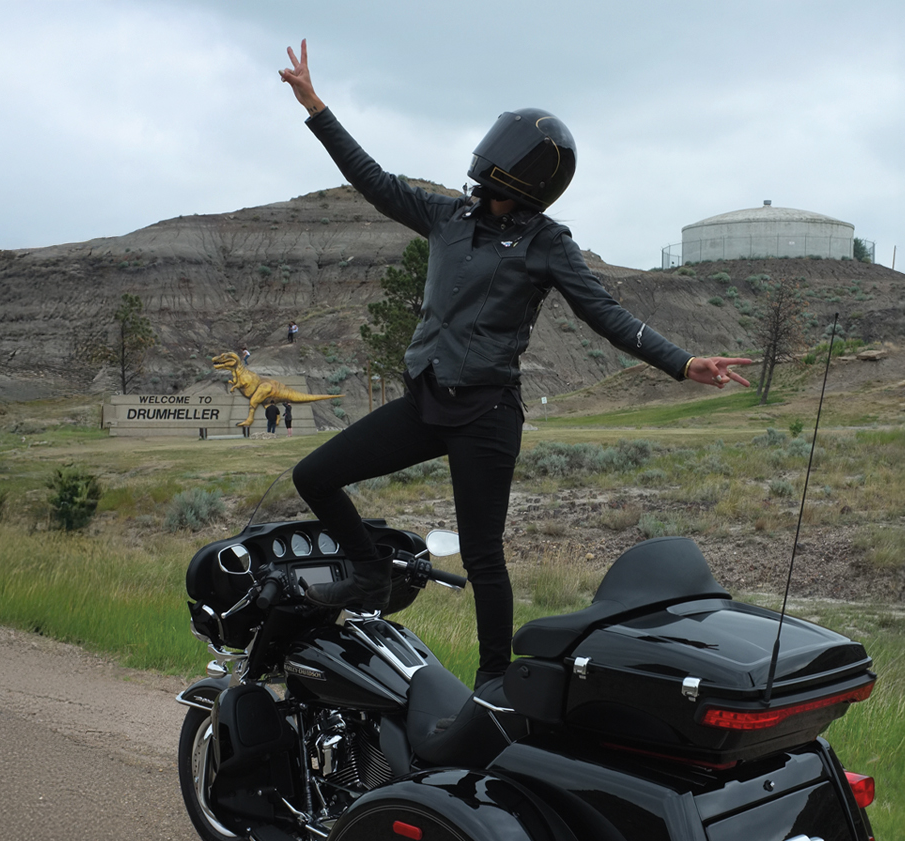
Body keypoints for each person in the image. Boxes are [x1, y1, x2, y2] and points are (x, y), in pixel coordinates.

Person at [279, 40, 750, 688]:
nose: (487, 156)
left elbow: (604, 313)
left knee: (483, 556)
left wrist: (682, 361)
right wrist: (317, 108)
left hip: (486, 415)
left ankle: (494, 683)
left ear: (523, 171)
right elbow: (375, 181)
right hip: (426, 402)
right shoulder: (447, 215)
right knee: (315, 475)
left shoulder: (546, 242)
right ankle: (369, 573)